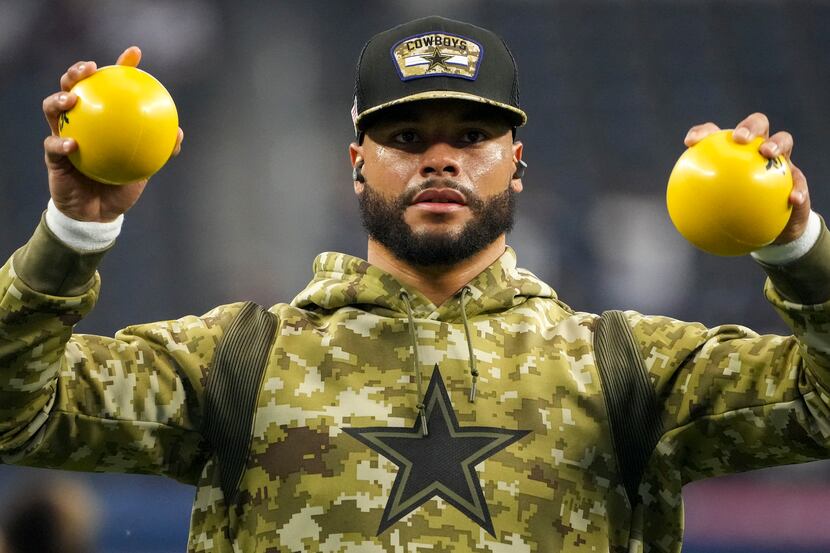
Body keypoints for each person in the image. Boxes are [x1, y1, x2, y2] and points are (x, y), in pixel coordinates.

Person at [0, 15, 827, 553]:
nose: (440, 157)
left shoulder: (626, 370)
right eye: (405, 135)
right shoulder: (239, 360)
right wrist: (76, 226)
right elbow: (18, 412)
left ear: (517, 163)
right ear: (357, 167)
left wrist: (800, 246)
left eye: (472, 133)